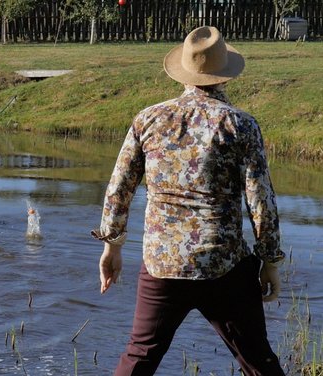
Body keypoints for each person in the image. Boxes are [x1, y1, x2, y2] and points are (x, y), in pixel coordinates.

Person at [91, 26, 285, 375]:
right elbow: (261, 201)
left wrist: (112, 246)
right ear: (225, 75)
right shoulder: (240, 124)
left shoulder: (147, 120)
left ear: (182, 72)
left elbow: (119, 189)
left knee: (139, 356)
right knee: (258, 361)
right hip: (222, 263)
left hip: (161, 263)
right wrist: (270, 261)